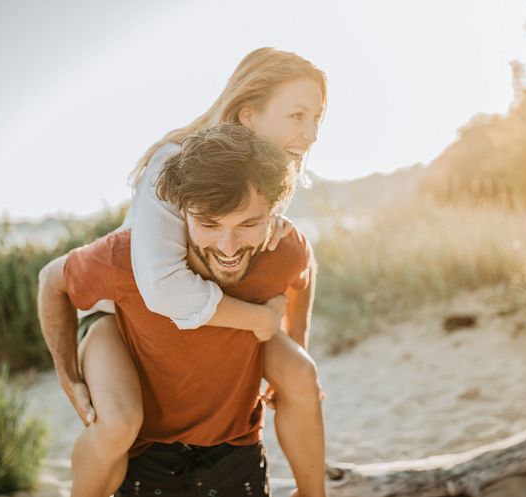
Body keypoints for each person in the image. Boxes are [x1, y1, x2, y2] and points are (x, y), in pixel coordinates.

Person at [40, 47, 327, 497]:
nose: (310, 134)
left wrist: (291, 343)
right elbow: (162, 291)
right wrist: (262, 321)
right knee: (118, 424)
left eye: (317, 118)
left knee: (301, 374)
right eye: (297, 116)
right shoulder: (174, 165)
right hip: (120, 310)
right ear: (248, 116)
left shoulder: (263, 176)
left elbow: (300, 266)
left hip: (201, 314)